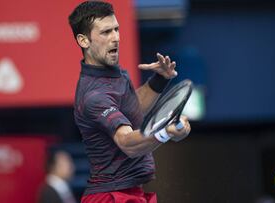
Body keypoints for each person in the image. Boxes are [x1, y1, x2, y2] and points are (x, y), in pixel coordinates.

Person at [69, 1, 191, 202]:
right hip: (110, 196)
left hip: (130, 191)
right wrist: (165, 131)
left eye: (116, 29)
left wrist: (159, 80)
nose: (115, 38)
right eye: (106, 32)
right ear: (84, 41)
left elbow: (134, 109)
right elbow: (127, 143)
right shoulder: (94, 96)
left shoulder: (115, 75)